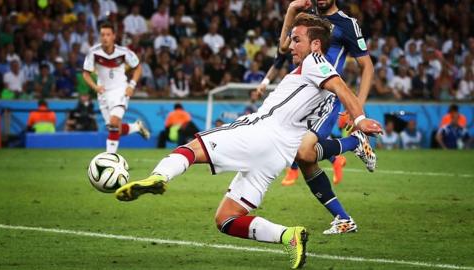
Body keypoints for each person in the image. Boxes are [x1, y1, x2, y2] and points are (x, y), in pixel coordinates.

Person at [115, 14, 382, 269]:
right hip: (277, 155)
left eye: (296, 39)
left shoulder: (315, 61)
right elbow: (337, 89)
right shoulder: (313, 72)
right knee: (226, 218)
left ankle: (159, 177)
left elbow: (340, 86)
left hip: (260, 133)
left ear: (315, 44)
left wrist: (359, 120)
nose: (290, 45)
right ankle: (288, 235)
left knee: (191, 148)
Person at [256, 0, 375, 234]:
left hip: (325, 97)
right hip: (300, 96)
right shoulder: (306, 19)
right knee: (305, 160)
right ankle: (343, 218)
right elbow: (282, 48)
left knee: (303, 152)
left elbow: (367, 66)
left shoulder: (348, 24)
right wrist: (291, 10)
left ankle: (355, 142)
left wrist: (357, 108)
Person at [83, 22, 150, 153]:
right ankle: (136, 127)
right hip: (103, 93)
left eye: (108, 35)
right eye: (102, 35)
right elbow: (85, 73)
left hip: (120, 90)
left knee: (114, 122)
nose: (105, 38)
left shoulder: (124, 52)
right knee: (115, 129)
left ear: (114, 36)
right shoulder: (93, 53)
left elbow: (138, 67)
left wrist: (132, 85)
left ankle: (110, 159)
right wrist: (95, 87)